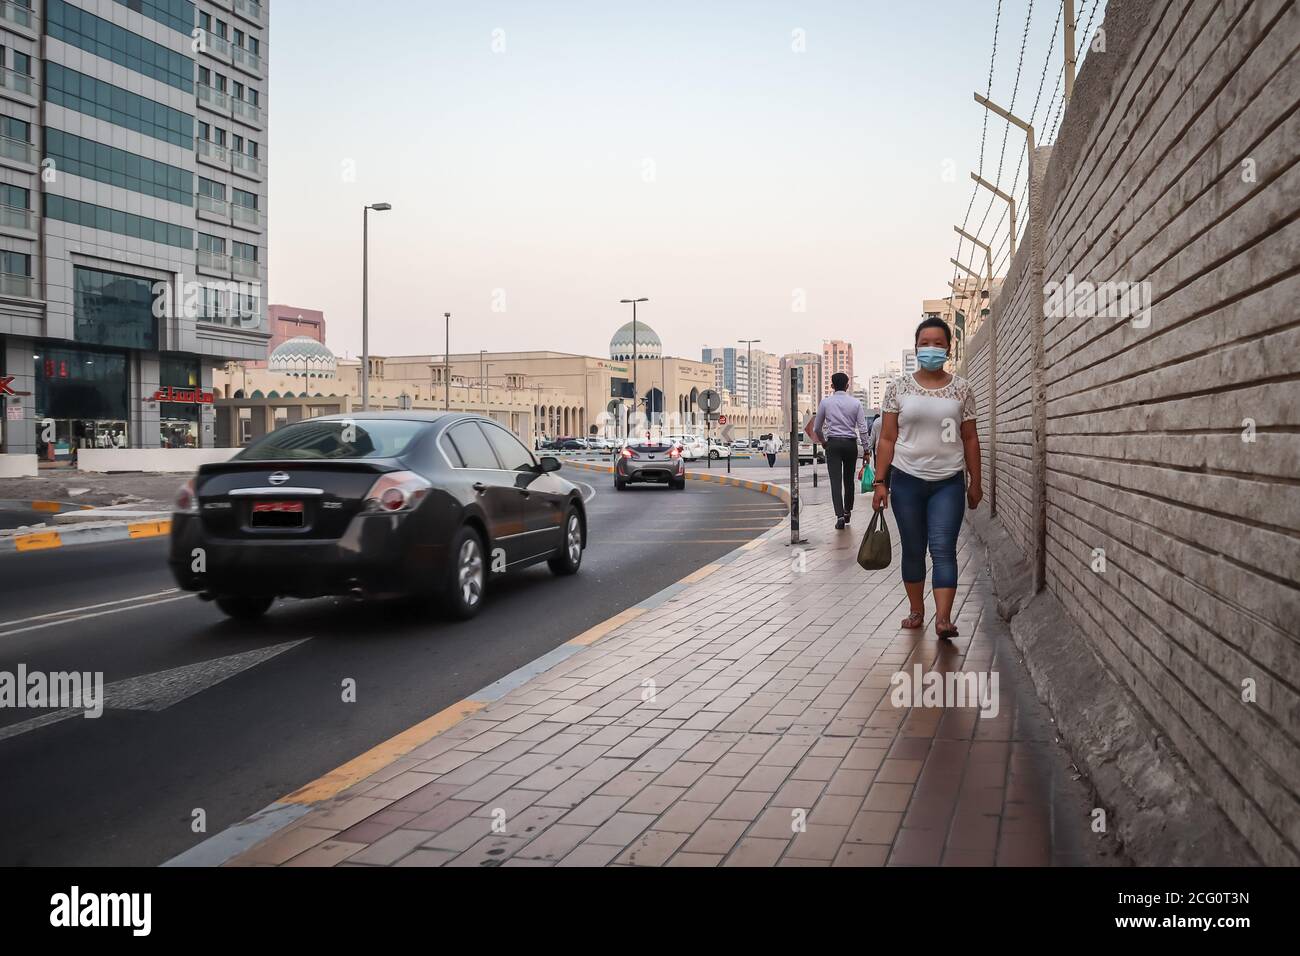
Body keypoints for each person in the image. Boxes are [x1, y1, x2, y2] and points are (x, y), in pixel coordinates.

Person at [871, 316, 983, 641]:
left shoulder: (962, 389)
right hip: (906, 480)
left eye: (938, 343)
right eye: (925, 343)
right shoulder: (898, 388)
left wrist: (975, 481)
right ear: (916, 346)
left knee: (944, 548)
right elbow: (888, 439)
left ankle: (944, 619)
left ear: (949, 348)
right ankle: (916, 610)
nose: (931, 348)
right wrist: (881, 482)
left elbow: (971, 439)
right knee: (913, 548)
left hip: (948, 482)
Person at [809, 371, 871, 530]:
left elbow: (817, 427)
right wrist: (866, 449)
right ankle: (848, 511)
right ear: (847, 385)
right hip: (850, 444)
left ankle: (840, 516)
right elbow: (863, 429)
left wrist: (823, 442)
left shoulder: (825, 403)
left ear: (831, 386)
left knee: (835, 482)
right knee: (849, 481)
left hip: (833, 444)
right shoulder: (856, 404)